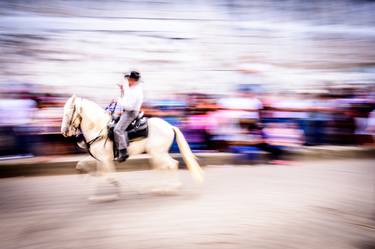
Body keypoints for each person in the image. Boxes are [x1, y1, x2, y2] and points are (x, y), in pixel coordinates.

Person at [114, 71, 143, 162]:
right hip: (126, 110)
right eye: (128, 79)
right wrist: (122, 90)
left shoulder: (136, 92)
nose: (128, 80)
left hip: (131, 112)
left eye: (130, 79)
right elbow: (125, 98)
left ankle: (123, 152)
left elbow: (129, 106)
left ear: (134, 80)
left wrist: (118, 101)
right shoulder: (131, 88)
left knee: (118, 129)